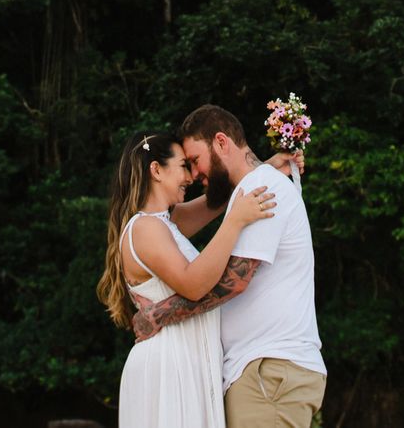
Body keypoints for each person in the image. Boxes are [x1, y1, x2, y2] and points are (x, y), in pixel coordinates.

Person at [133, 105, 326, 428]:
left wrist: (158, 314)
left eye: (195, 161)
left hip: (269, 369)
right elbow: (171, 222)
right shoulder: (251, 190)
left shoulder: (264, 190)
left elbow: (233, 281)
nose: (194, 176)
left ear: (221, 142)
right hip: (260, 371)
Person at [95, 129, 278, 428]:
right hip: (170, 364)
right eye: (183, 166)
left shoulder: (164, 224)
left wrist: (267, 168)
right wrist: (234, 222)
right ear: (156, 169)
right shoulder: (145, 229)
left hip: (186, 360)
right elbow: (194, 285)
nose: (191, 176)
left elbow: (222, 198)